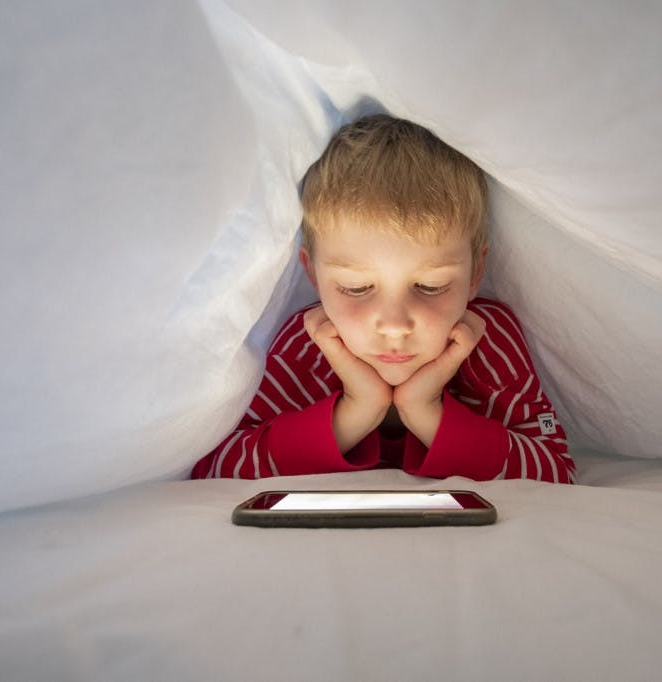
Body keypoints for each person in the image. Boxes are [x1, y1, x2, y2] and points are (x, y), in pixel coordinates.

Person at [191, 114, 573, 483]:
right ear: (314, 276)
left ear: (475, 274)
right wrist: (357, 410)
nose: (394, 325)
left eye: (430, 286)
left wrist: (425, 411)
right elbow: (217, 467)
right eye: (357, 288)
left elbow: (556, 468)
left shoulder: (490, 341)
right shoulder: (306, 347)